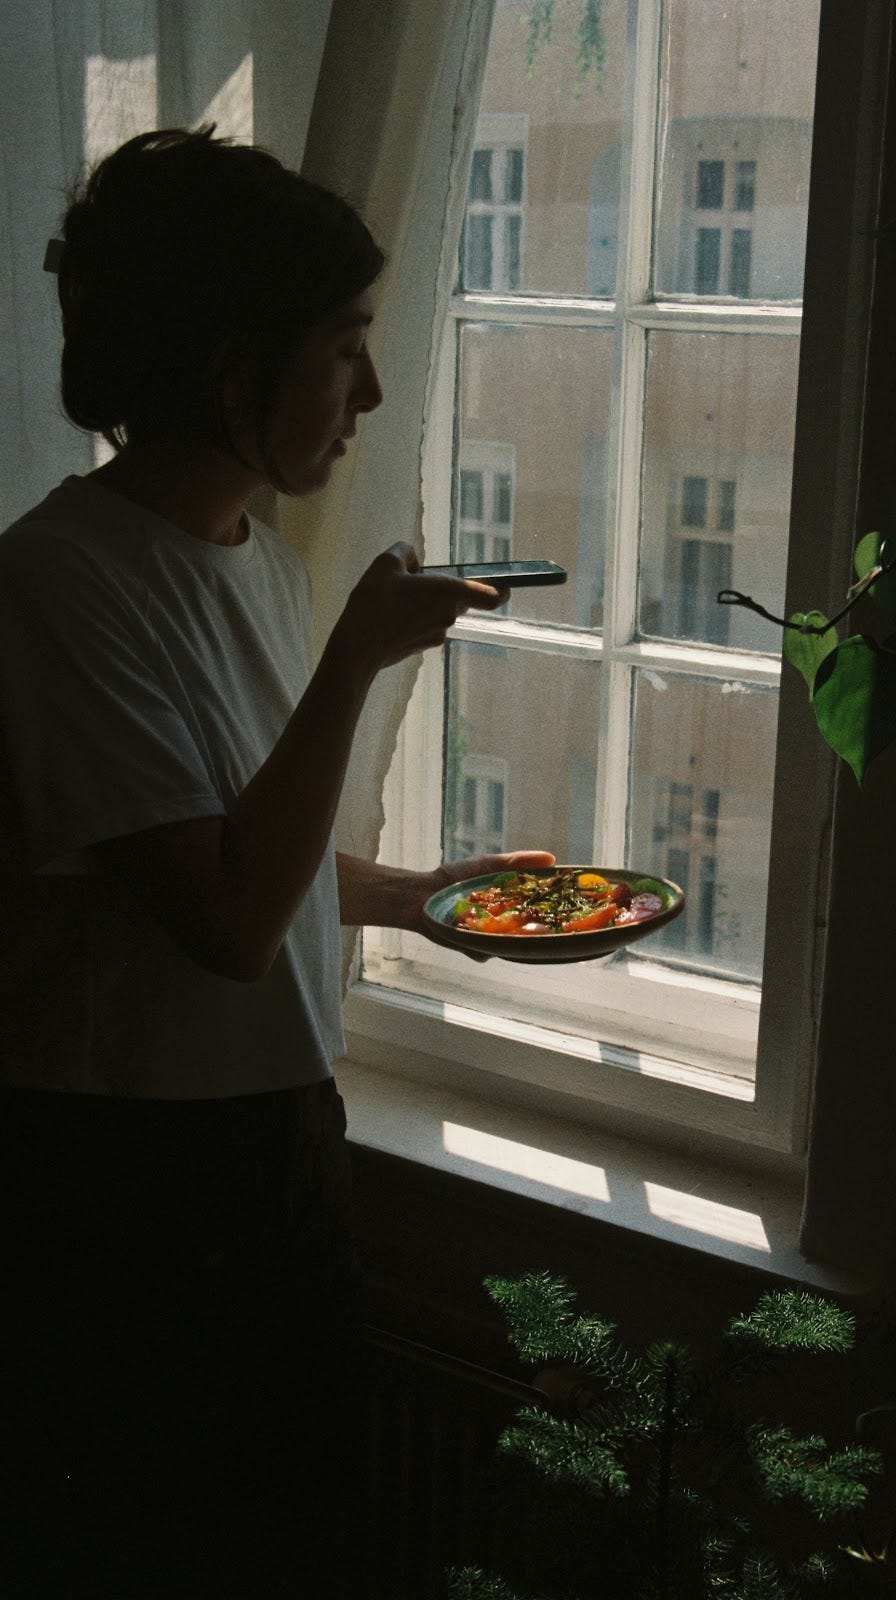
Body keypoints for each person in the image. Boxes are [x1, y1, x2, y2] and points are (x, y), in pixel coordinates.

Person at [0, 126, 553, 1599]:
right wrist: (360, 661)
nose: (368, 392)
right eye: (344, 347)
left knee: (300, 1537)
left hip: (273, 1152)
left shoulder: (249, 557)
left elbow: (250, 850)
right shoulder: (58, 583)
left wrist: (423, 900)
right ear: (228, 367)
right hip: (127, 1190)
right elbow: (229, 924)